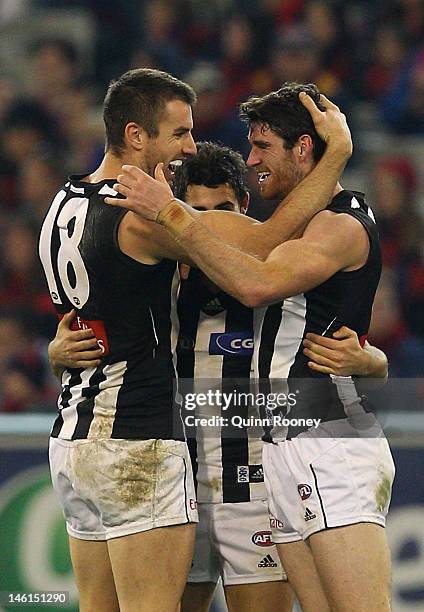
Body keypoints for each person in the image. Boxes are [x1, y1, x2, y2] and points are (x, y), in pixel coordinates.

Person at [39, 69, 352, 612]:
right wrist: (336, 156)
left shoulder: (64, 202)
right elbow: (263, 243)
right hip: (138, 440)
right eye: (179, 132)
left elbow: (88, 309)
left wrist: (56, 350)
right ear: (136, 135)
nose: (189, 146)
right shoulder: (138, 213)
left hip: (75, 438)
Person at [104, 83, 395, 612]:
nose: (251, 157)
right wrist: (64, 348)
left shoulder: (300, 240)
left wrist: (371, 361)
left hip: (290, 456)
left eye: (262, 147)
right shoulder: (161, 271)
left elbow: (262, 284)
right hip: (195, 471)